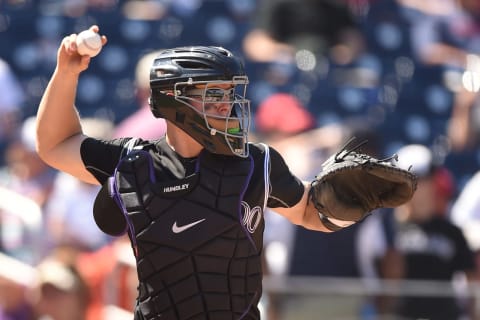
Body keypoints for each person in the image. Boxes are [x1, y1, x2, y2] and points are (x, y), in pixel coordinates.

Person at [35, 25, 406, 319]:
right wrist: (67, 70)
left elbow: (310, 210)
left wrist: (349, 202)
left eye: (230, 94)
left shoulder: (256, 163)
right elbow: (54, 145)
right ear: (173, 99)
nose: (228, 106)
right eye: (214, 95)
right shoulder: (131, 161)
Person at [356, 144, 477, 320]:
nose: (421, 187)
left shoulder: (451, 232)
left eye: (427, 178)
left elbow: (471, 281)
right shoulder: (381, 229)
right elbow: (368, 285)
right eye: (415, 179)